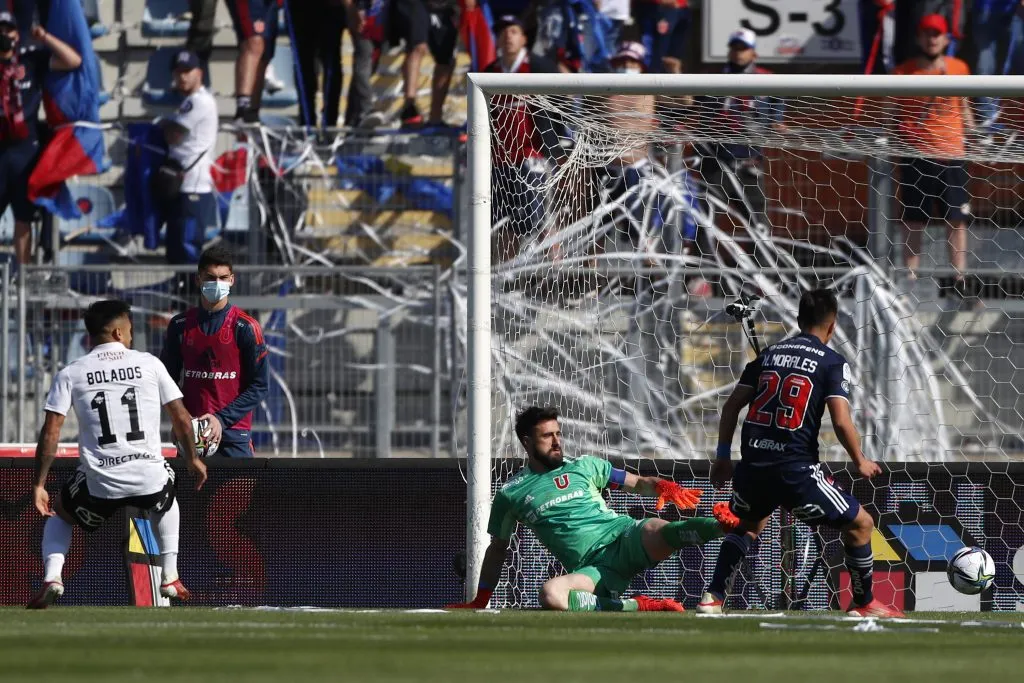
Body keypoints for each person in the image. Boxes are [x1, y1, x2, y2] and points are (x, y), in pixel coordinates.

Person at [696, 289, 902, 618]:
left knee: (748, 526)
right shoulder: (832, 362)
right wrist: (860, 459)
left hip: (753, 467)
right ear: (832, 326)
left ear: (797, 320)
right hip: (796, 472)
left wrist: (722, 457)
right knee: (862, 524)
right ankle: (863, 604)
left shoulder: (767, 356)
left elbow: (732, 406)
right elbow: (840, 420)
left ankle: (713, 597)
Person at [446, 405, 739, 612]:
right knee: (551, 595)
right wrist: (481, 599)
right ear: (526, 441)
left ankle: (722, 525)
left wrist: (662, 486)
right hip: (594, 570)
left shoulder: (585, 466)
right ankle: (635, 606)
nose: (557, 441)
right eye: (547, 436)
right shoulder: (511, 493)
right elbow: (498, 549)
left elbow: (637, 483)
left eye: (558, 433)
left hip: (624, 537)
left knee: (659, 528)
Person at [28, 300, 207, 609]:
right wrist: (192, 459)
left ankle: (53, 577)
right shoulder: (150, 363)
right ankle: (170, 574)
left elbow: (51, 432)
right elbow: (180, 418)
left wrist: (39, 484)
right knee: (167, 495)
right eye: (130, 330)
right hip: (147, 477)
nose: (132, 336)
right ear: (117, 332)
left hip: (100, 482)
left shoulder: (71, 373)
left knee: (61, 513)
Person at [160, 246, 269, 459]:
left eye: (223, 277)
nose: (217, 283)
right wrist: (179, 419)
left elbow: (260, 386)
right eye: (210, 278)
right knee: (188, 494)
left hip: (233, 435)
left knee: (237, 494)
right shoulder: (180, 325)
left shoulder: (246, 327)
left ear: (232, 280)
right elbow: (166, 381)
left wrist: (221, 419)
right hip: (192, 433)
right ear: (198, 280)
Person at [891, 14, 972, 288]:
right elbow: (889, 113)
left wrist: (978, 132)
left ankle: (959, 277)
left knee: (957, 219)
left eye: (937, 34)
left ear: (946, 38)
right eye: (927, 33)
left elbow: (964, 108)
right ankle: (909, 278)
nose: (932, 39)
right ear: (918, 38)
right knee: (914, 220)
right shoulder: (903, 72)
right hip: (917, 155)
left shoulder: (959, 68)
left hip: (952, 154)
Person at [0, 11, 82, 267]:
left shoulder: (31, 59)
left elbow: (73, 60)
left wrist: (44, 37)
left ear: (16, 34)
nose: (4, 36)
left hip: (25, 150)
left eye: (8, 30)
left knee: (23, 219)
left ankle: (22, 282)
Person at [483, 15, 561, 261]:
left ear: (524, 38)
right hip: (498, 161)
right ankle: (506, 281)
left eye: (514, 31)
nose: (508, 36)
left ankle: (557, 275)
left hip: (532, 157)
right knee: (502, 225)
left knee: (541, 220)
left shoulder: (541, 67)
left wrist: (554, 148)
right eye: (503, 31)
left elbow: (559, 109)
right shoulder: (488, 72)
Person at [694, 28, 782, 233]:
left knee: (757, 222)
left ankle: (762, 264)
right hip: (715, 159)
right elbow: (693, 102)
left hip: (749, 161)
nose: (738, 53)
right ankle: (702, 264)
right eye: (734, 48)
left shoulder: (766, 78)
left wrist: (776, 120)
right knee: (705, 221)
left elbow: (780, 97)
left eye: (743, 48)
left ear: (754, 53)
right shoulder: (714, 76)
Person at [158, 48, 219, 266]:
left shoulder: (199, 101)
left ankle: (192, 299)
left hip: (193, 187)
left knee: (186, 249)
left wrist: (165, 126)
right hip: (183, 186)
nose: (182, 76)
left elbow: (173, 135)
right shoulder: (188, 102)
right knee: (176, 251)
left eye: (187, 71)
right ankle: (181, 298)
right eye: (178, 72)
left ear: (199, 73)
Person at [291, 0, 373, 128]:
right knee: (305, 64)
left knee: (331, 62)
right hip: (301, 8)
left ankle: (329, 123)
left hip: (331, 9)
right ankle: (307, 122)